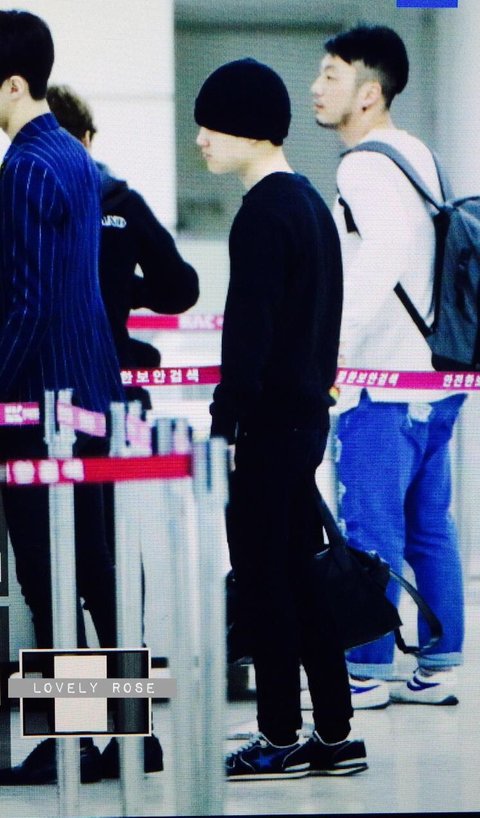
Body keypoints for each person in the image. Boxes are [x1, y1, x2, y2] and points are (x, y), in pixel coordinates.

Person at [195, 57, 367, 779]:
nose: (201, 139)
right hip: (305, 422)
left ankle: (278, 734)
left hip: (265, 429)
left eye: (211, 125)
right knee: (301, 575)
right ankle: (334, 732)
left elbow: (249, 336)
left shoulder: (263, 214)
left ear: (248, 129)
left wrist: (223, 425)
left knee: (266, 580)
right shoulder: (310, 205)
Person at [0, 10, 160, 784]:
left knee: (48, 576)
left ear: (13, 83)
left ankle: (71, 743)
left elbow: (28, 304)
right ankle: (131, 735)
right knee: (94, 570)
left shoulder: (25, 167)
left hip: (41, 404)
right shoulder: (72, 154)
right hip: (89, 390)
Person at [311, 24, 466, 709]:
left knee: (370, 527)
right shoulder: (419, 156)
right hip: (436, 374)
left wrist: (335, 345)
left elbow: (378, 259)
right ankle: (439, 664)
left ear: (369, 93)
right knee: (430, 524)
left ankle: (367, 670)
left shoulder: (364, 165)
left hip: (383, 380)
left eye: (331, 75)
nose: (317, 88)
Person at [46, 83, 199, 413]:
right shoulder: (122, 204)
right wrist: (123, 287)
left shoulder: (15, 203)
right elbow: (180, 290)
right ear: (87, 138)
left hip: (35, 387)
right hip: (112, 387)